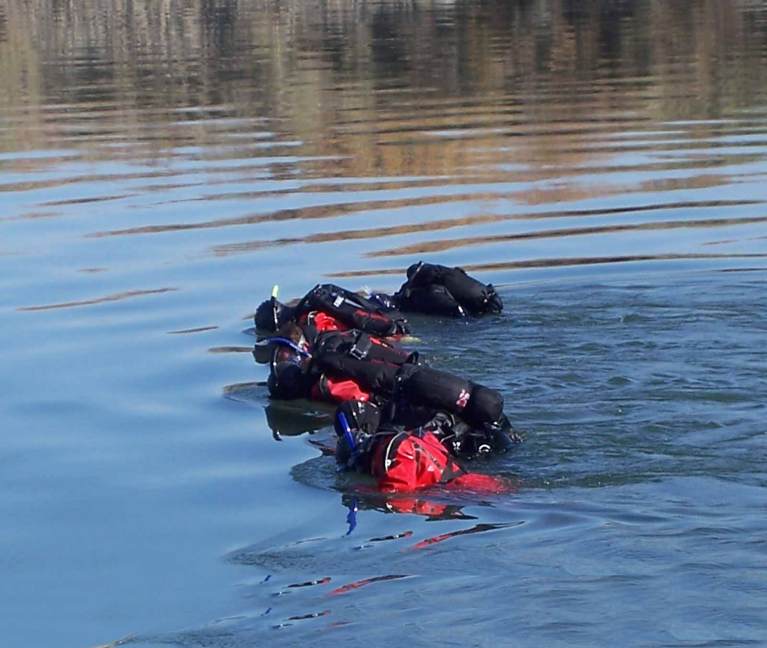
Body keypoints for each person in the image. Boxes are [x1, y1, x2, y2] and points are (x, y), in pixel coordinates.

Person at [253, 262, 503, 335]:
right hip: (402, 305)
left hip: (401, 312)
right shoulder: (319, 301)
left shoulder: (313, 319)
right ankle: (484, 304)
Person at [333, 400, 515, 493]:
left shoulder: (387, 455)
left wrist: (362, 491)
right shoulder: (398, 438)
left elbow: (397, 494)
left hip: (467, 490)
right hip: (475, 481)